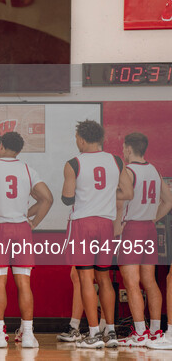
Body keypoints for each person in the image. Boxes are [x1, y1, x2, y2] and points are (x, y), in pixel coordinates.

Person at [62, 119, 133, 348]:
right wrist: (105, 196)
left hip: (83, 224)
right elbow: (128, 192)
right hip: (106, 225)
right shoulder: (116, 160)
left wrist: (88, 195)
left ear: (81, 139)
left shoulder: (74, 163)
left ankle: (92, 334)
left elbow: (67, 197)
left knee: (85, 278)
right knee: (103, 278)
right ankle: (110, 332)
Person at [0, 132, 53, 348]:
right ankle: (29, 334)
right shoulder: (27, 169)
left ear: (1, 146)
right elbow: (47, 199)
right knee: (24, 282)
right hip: (22, 228)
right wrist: (31, 220)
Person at [117, 133, 172, 346]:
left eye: (124, 147)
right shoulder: (154, 170)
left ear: (129, 149)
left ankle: (140, 332)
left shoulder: (128, 172)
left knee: (131, 283)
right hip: (149, 228)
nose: (123, 151)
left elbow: (121, 203)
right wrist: (152, 218)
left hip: (132, 228)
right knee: (150, 281)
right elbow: (168, 202)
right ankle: (156, 331)